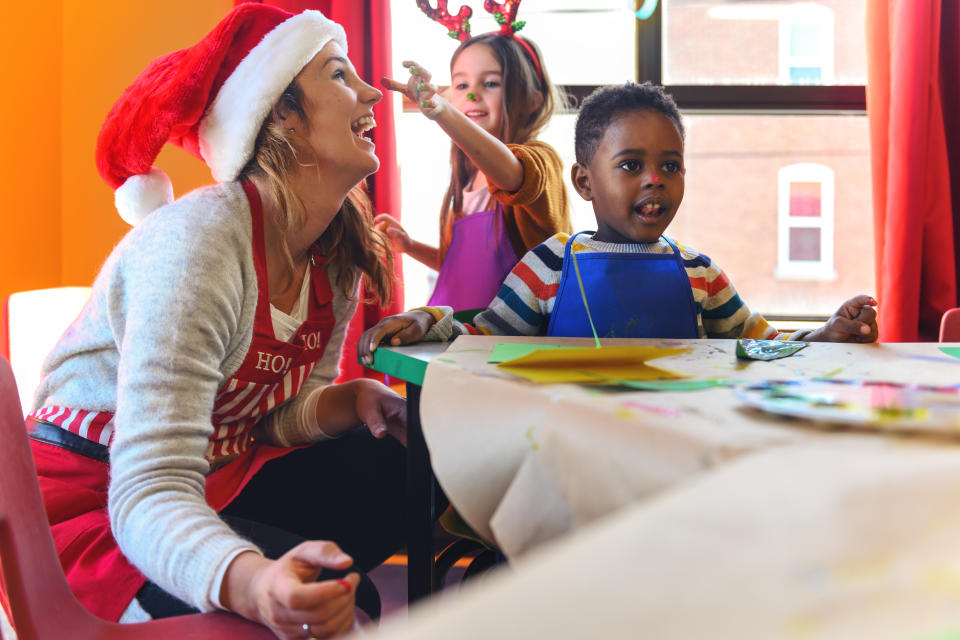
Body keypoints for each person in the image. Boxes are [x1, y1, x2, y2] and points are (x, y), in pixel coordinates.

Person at [25, 5, 406, 638]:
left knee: (394, 473)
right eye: (340, 75)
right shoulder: (198, 245)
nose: (369, 93)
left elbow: (276, 416)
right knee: (327, 611)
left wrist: (347, 401)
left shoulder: (337, 254)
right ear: (280, 114)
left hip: (215, 476)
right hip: (98, 504)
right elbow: (147, 486)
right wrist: (253, 584)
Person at [357, 82, 878, 360]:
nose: (655, 180)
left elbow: (756, 344)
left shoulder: (702, 273)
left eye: (670, 167)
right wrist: (429, 318)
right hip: (564, 452)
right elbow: (483, 338)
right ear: (584, 183)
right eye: (631, 166)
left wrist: (824, 335)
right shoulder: (548, 265)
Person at [372, 0, 571, 311]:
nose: (471, 95)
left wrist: (442, 111)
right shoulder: (464, 182)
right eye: (461, 84)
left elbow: (511, 175)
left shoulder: (539, 160)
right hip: (462, 338)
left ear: (533, 100)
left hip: (514, 344)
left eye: (490, 83)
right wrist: (410, 247)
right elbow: (461, 271)